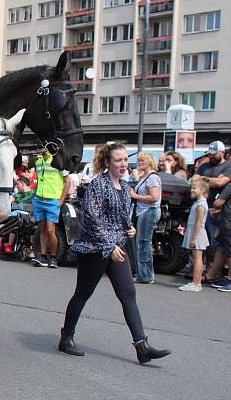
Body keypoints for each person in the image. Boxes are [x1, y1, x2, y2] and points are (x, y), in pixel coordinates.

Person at [58, 142, 170, 364]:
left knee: (128, 294)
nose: (123, 164)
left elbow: (120, 217)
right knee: (83, 293)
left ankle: (142, 346)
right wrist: (109, 246)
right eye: (118, 160)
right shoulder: (98, 185)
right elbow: (92, 219)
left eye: (125, 160)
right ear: (107, 162)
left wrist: (129, 227)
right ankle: (66, 338)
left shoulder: (126, 186)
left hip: (117, 248)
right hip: (94, 248)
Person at [32, 149, 71, 268]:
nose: (41, 149)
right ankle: (43, 257)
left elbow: (68, 181)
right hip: (39, 199)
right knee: (42, 228)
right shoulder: (38, 162)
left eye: (44, 146)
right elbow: (39, 180)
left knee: (50, 230)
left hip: (52, 200)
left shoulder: (58, 160)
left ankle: (53, 258)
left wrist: (61, 200)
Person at [130, 153, 161, 284]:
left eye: (142, 160)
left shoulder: (152, 178)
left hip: (148, 211)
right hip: (142, 211)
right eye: (139, 160)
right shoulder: (145, 177)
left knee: (143, 242)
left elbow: (154, 197)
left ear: (149, 161)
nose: (140, 162)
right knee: (139, 242)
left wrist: (135, 196)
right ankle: (142, 273)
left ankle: (146, 275)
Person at [179, 179, 210, 292]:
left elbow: (199, 222)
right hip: (195, 232)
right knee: (197, 258)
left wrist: (194, 237)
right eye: (192, 187)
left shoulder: (201, 204)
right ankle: (196, 282)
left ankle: (196, 283)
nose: (192, 190)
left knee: (198, 259)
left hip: (197, 233)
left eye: (194, 188)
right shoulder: (198, 203)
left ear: (202, 190)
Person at [210, 181, 231, 291]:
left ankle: (230, 280)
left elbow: (218, 203)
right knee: (223, 249)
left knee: (230, 252)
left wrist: (216, 203)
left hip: (228, 223)